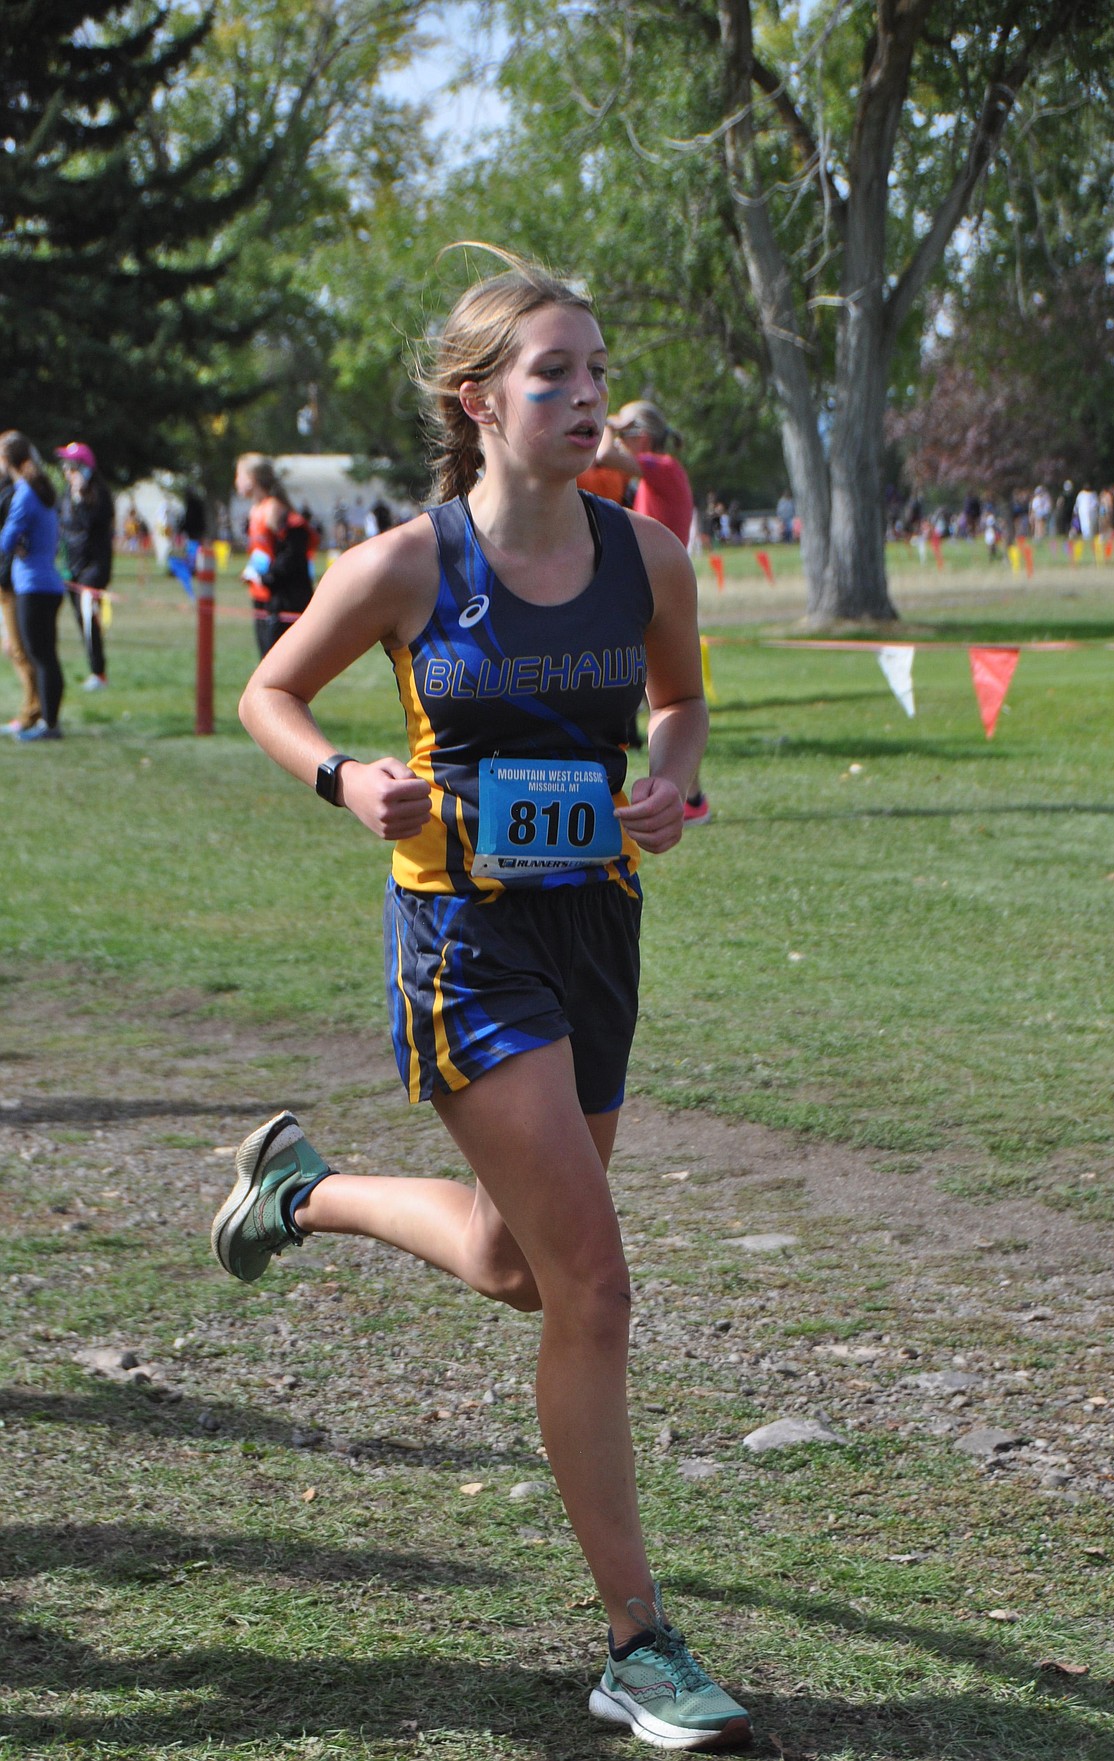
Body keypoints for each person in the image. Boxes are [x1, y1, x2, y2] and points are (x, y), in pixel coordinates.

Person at [209, 251, 751, 1754]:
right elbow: (271, 690)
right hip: (459, 939)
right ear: (481, 403)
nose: (587, 399)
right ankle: (639, 1644)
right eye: (552, 376)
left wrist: (672, 782)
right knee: (595, 1283)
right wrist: (342, 777)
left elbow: (681, 699)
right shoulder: (405, 565)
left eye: (594, 370)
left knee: (521, 1262)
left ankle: (300, 1191)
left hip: (596, 929)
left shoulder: (649, 556)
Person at [595, 401, 710, 824]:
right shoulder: (655, 470)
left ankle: (689, 799)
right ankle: (692, 799)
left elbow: (603, 455)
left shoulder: (661, 465)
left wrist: (606, 425)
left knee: (665, 701)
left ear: (641, 433)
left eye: (626, 427)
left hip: (656, 591)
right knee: (653, 698)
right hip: (646, 587)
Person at [0, 432, 66, 741]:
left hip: (31, 585)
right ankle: (49, 722)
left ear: (6, 461)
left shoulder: (24, 492)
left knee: (40, 657)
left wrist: (16, 544)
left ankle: (48, 725)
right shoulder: (40, 490)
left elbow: (5, 540)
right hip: (49, 583)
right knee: (47, 656)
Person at [234, 454, 315, 656]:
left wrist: (268, 577)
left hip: (283, 600)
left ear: (252, 479)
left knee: (279, 662)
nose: (236, 482)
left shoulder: (274, 509)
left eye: (238, 476)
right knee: (265, 660)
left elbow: (292, 552)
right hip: (263, 597)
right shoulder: (256, 510)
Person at [57, 441, 115, 690]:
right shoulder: (64, 496)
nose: (68, 473)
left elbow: (92, 525)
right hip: (72, 567)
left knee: (89, 620)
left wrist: (81, 499)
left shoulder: (99, 497)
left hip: (94, 568)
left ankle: (98, 673)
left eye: (72, 468)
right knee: (82, 621)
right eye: (65, 468)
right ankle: (95, 670)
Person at [0, 468, 43, 733]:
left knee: (19, 648)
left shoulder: (10, 494)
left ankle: (33, 710)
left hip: (9, 583)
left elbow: (11, 543)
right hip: (6, 582)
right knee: (11, 648)